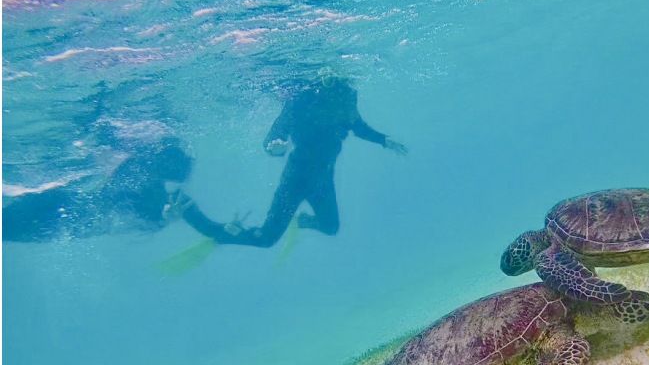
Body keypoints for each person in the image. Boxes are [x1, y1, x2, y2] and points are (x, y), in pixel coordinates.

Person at [186, 73, 407, 247]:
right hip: (294, 182)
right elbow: (273, 138)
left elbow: (357, 126)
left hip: (323, 181)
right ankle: (222, 233)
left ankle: (301, 221)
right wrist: (276, 149)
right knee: (266, 240)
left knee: (330, 227)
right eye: (327, 80)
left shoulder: (345, 97)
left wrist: (384, 140)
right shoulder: (300, 102)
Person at [3, 136, 211, 242]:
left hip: (68, 218)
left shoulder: (174, 200)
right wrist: (164, 219)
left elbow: (215, 232)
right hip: (65, 208)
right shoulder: (137, 170)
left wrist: (165, 218)